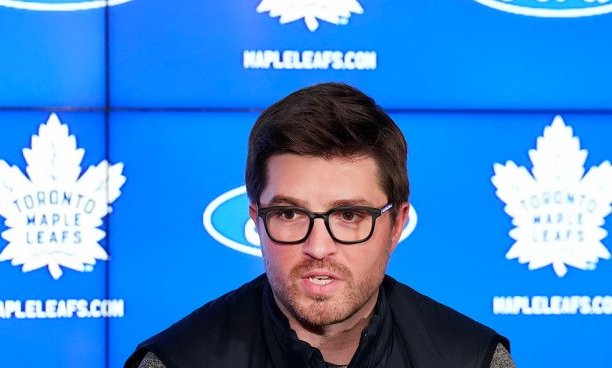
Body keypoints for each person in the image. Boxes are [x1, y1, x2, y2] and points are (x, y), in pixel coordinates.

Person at [125, 82, 514, 368]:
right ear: (257, 222)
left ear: (396, 225)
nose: (319, 247)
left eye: (348, 215)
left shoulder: (474, 360)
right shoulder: (175, 363)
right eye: (290, 215)